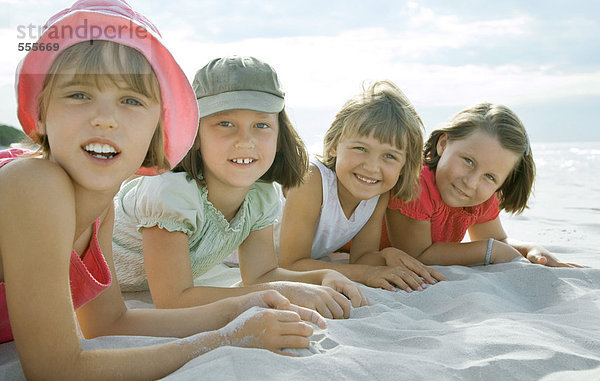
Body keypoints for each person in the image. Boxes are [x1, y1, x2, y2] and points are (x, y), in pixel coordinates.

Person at [0, 0, 326, 381]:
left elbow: (108, 323)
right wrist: (225, 340)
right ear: (42, 112)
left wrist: (239, 308)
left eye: (131, 100)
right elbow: (57, 372)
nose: (105, 118)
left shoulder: (99, 207)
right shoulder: (33, 184)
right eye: (79, 94)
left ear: (158, 128)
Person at [113, 56, 368, 319]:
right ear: (194, 133)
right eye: (225, 124)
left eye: (261, 125)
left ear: (280, 136)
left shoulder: (260, 195)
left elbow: (262, 274)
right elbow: (174, 300)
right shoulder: (170, 193)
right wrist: (285, 292)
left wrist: (323, 275)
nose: (245, 141)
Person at [278, 81, 446, 293]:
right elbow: (291, 265)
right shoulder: (312, 180)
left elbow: (361, 257)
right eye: (360, 148)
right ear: (333, 146)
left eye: (389, 156)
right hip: (235, 261)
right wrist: (367, 274)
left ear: (404, 166)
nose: (371, 167)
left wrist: (386, 255)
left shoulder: (377, 195)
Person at [382, 102, 580, 267]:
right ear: (443, 144)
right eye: (468, 161)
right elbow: (417, 255)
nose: (471, 182)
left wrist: (529, 249)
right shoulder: (417, 183)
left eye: (490, 177)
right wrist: (489, 251)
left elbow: (498, 240)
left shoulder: (479, 196)